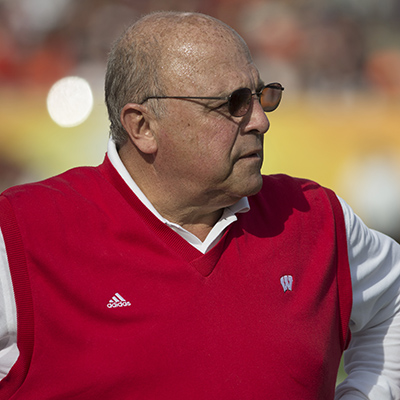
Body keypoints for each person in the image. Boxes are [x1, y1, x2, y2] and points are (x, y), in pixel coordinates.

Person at [0, 11, 399, 400]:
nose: (260, 120)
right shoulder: (22, 232)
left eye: (260, 96)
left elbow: (393, 301)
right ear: (142, 126)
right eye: (233, 103)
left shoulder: (314, 217)